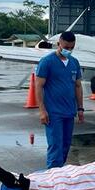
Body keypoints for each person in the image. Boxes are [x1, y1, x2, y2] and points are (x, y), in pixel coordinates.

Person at [35, 31, 84, 168]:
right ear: (58, 44)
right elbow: (38, 86)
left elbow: (78, 86)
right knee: (55, 147)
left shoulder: (74, 63)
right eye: (66, 47)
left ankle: (59, 175)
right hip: (53, 113)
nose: (68, 50)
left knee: (65, 146)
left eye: (71, 48)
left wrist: (80, 108)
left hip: (69, 111)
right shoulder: (47, 62)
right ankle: (52, 178)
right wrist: (42, 110)